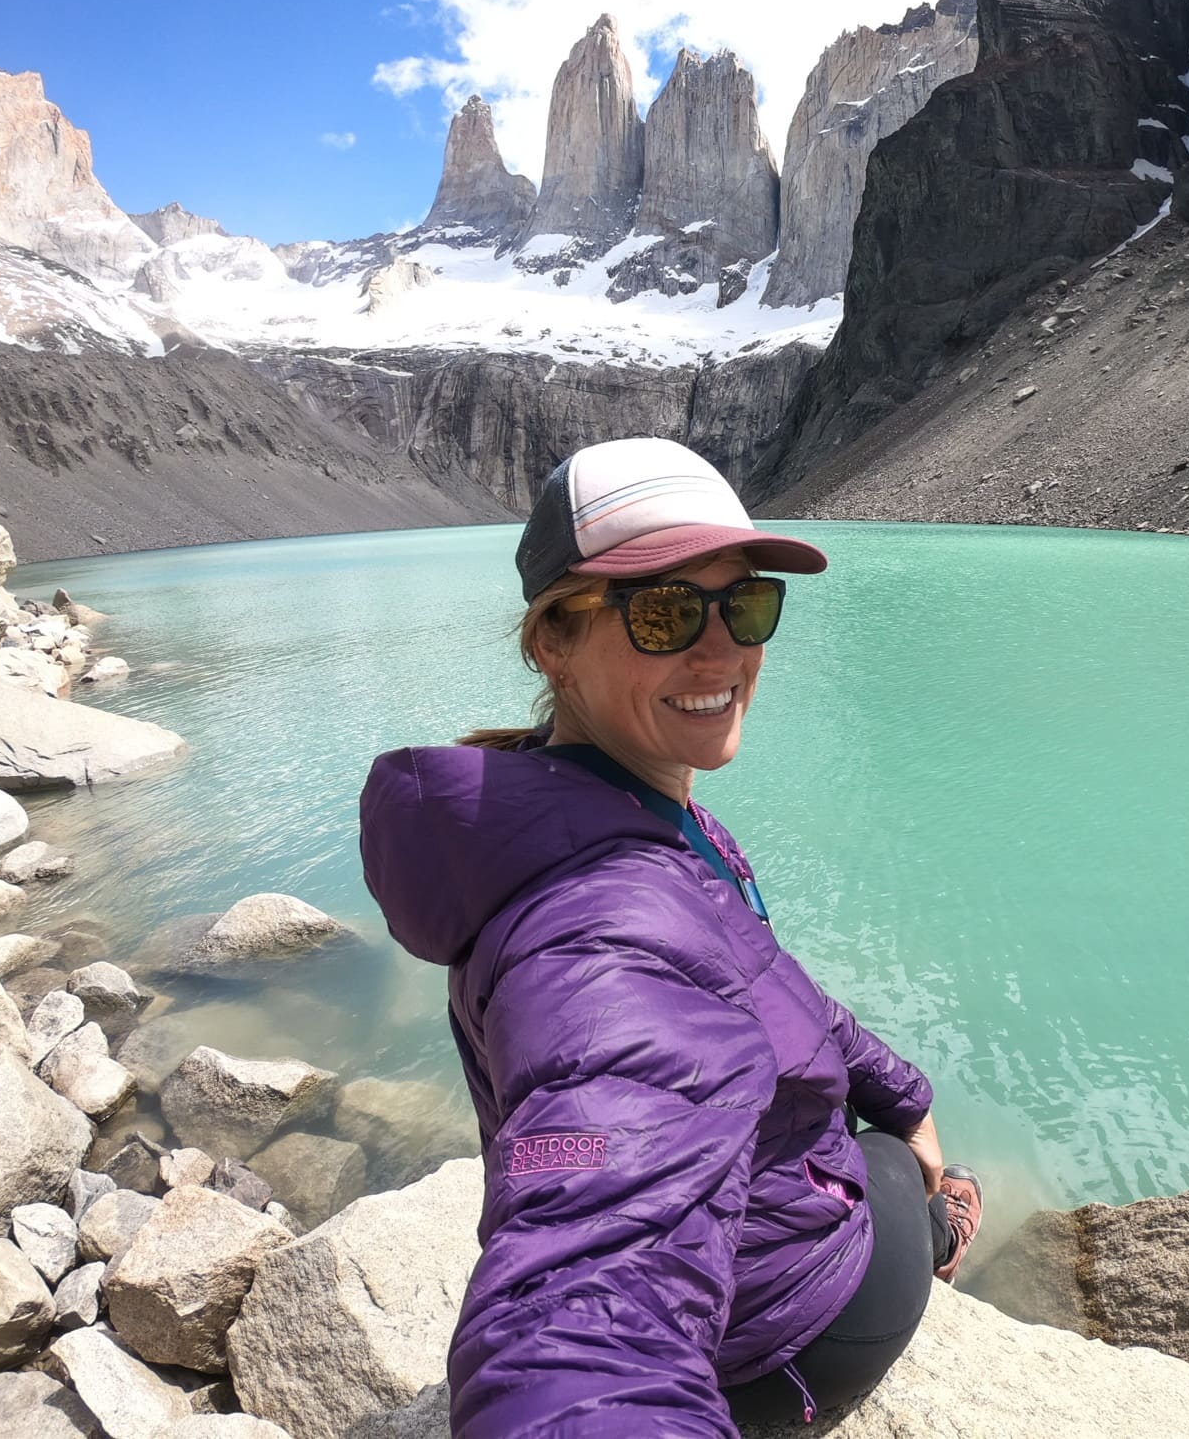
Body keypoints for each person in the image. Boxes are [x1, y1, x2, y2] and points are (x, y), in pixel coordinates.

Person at [358, 436, 983, 1436]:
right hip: (786, 1335)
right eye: (662, 611)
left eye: (744, 606)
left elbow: (762, 982)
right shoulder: (593, 933)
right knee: (902, 1184)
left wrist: (899, 1090)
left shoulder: (621, 806)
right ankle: (943, 1223)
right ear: (550, 642)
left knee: (887, 1143)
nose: (720, 650)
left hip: (747, 1274)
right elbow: (577, 1324)